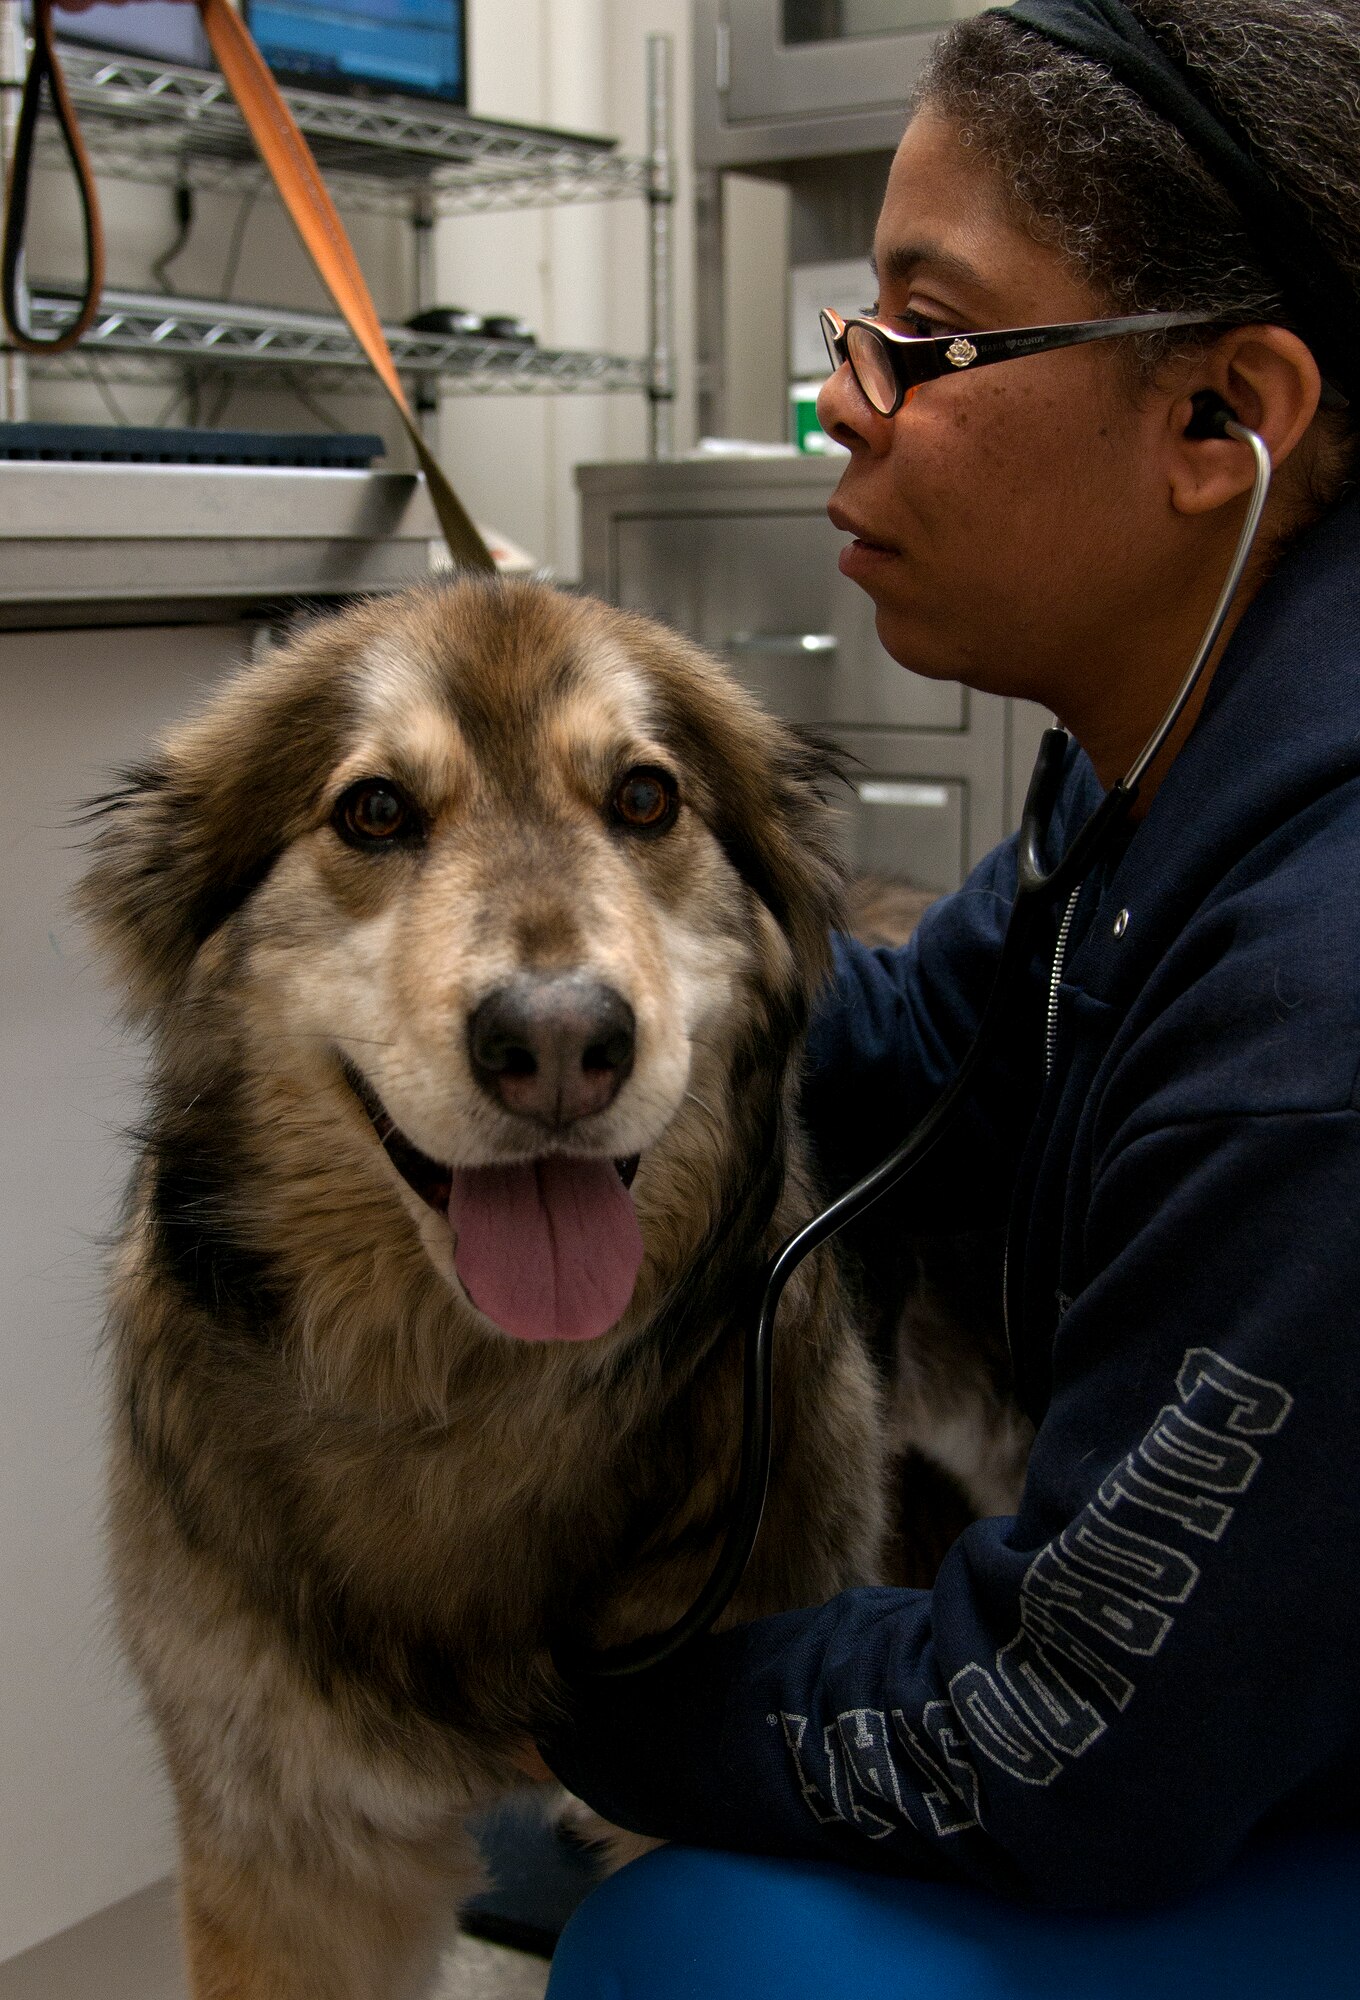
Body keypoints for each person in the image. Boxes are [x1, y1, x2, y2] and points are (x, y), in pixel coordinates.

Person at [533, 1, 1360, 1985]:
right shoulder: (1158, 757)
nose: (839, 406)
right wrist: (574, 1008)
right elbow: (905, 1064)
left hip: (1245, 1770)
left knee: (687, 1948)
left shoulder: (1310, 1005)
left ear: (1214, 421)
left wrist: (550, 1682)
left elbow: (1069, 1734)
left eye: (919, 336)